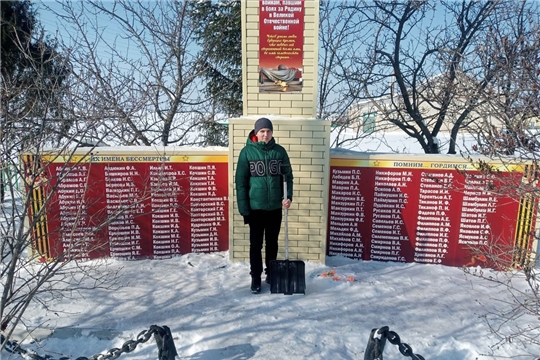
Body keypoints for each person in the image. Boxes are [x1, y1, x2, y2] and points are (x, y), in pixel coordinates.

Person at [235, 117, 293, 294]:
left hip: (275, 208)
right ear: (256, 133)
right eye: (262, 131)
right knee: (256, 245)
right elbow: (241, 182)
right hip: (255, 209)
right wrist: (244, 209)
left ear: (272, 133)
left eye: (268, 131)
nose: (265, 134)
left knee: (272, 243)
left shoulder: (280, 152)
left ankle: (271, 272)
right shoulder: (247, 153)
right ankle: (255, 277)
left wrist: (287, 197)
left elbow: (287, 178)